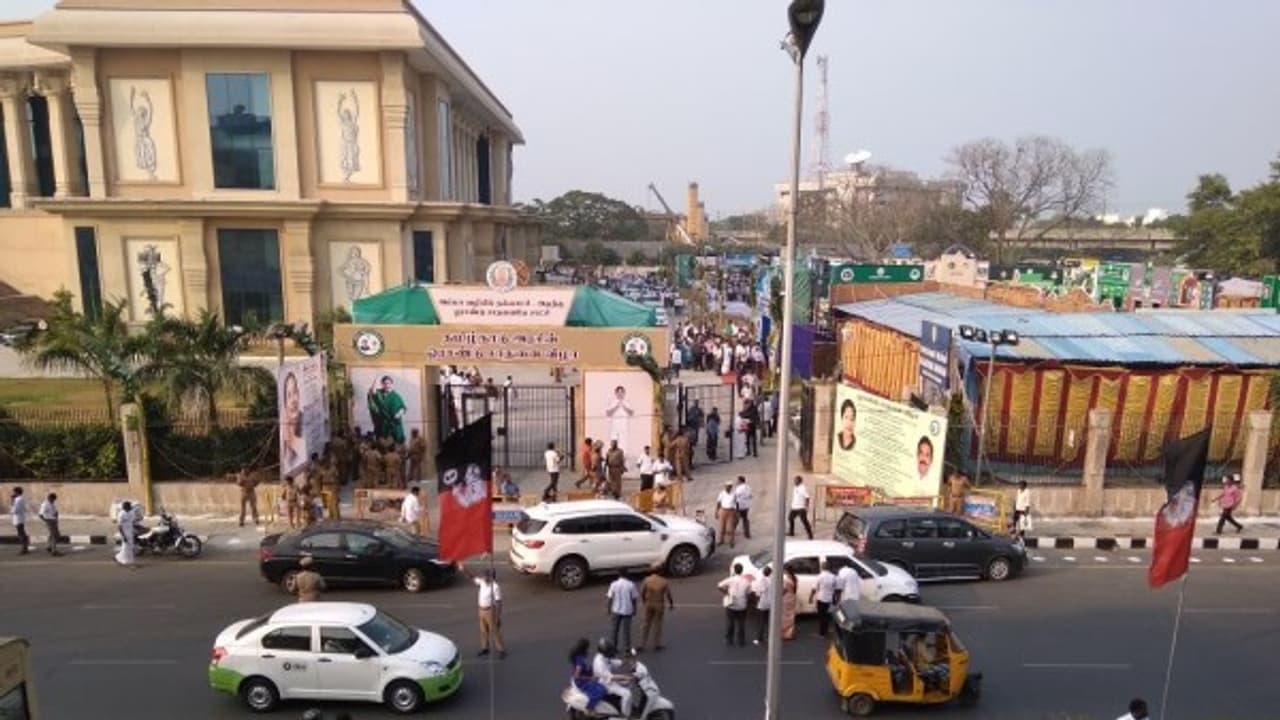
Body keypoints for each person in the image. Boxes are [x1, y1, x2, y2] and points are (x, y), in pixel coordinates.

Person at [461, 566, 506, 658]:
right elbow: (472, 577)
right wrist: (464, 569)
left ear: (491, 577)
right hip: (481, 610)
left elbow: (499, 603)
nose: (484, 577)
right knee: (483, 630)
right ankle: (485, 648)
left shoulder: (495, 587)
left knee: (495, 631)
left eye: (487, 576)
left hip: (490, 611)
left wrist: (497, 617)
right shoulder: (482, 582)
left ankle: (501, 650)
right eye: (484, 575)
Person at [592, 638, 632, 718]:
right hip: (604, 684)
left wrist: (626, 661)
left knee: (628, 685)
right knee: (627, 694)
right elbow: (611, 677)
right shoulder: (600, 663)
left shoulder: (603, 656)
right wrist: (626, 677)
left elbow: (612, 662)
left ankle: (620, 705)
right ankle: (624, 716)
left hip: (606, 680)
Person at [639, 566, 675, 652]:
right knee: (657, 625)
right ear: (660, 572)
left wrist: (644, 601)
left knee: (646, 624)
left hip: (649, 603)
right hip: (659, 604)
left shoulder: (647, 580)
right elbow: (668, 594)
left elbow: (642, 592)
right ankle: (656, 644)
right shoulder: (663, 581)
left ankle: (642, 644)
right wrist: (671, 604)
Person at [569, 638, 607, 712]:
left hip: (586, 677)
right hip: (582, 682)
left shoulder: (582, 655)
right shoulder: (579, 659)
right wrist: (590, 678)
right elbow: (577, 676)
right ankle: (589, 708)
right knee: (602, 691)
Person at [606, 571, 639, 655]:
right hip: (627, 610)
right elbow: (634, 598)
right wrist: (635, 609)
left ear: (619, 575)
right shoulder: (631, 584)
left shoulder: (613, 584)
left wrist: (608, 609)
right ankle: (627, 650)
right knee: (626, 631)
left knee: (614, 630)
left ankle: (613, 648)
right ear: (627, 575)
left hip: (616, 610)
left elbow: (610, 598)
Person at [368, 375, 407, 445]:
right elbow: (372, 392)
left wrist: (398, 414)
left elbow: (403, 408)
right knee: (383, 444)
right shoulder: (380, 394)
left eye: (388, 383)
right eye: (385, 383)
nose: (387, 385)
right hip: (383, 425)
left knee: (396, 443)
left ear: (392, 384)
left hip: (394, 425)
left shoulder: (396, 396)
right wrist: (376, 378)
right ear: (382, 384)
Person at [718, 563, 751, 646]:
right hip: (742, 605)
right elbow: (748, 593)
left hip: (731, 604)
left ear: (734, 570)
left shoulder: (730, 579)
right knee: (741, 623)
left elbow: (719, 585)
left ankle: (729, 640)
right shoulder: (746, 581)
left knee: (730, 622)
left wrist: (726, 593)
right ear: (742, 571)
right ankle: (741, 641)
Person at [604, 385, 635, 453]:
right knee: (614, 443)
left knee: (623, 444)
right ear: (616, 393)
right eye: (618, 392)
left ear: (624, 393)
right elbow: (608, 413)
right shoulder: (612, 402)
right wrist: (616, 406)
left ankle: (622, 458)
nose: (620, 394)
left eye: (622, 392)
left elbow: (631, 413)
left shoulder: (627, 402)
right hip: (614, 427)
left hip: (624, 427)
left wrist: (624, 406)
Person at [811, 561, 838, 637]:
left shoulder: (819, 576)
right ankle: (825, 631)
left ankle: (822, 633)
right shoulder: (833, 576)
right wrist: (835, 599)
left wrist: (811, 597)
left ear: (822, 567)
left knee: (821, 616)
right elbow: (835, 588)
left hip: (821, 598)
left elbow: (814, 588)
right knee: (826, 616)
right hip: (829, 598)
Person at [752, 565, 773, 645]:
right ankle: (769, 637)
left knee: (761, 622)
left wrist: (757, 602)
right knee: (769, 622)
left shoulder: (762, 580)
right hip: (770, 603)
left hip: (763, 603)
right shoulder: (772, 580)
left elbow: (759, 593)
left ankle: (759, 638)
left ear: (764, 572)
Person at [716, 481, 739, 550]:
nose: (728, 487)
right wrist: (716, 511)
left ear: (731, 487)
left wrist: (737, 512)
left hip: (731, 511)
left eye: (729, 486)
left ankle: (731, 541)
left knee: (730, 528)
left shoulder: (734, 494)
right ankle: (721, 540)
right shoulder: (722, 493)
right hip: (723, 510)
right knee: (721, 526)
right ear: (725, 486)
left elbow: (736, 503)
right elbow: (718, 503)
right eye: (727, 486)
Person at [114, 500, 137, 568]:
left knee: (130, 546)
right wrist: (123, 536)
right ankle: (126, 561)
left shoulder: (131, 513)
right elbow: (119, 526)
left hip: (130, 531)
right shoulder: (121, 514)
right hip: (124, 532)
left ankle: (120, 558)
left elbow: (133, 522)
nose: (131, 507)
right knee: (126, 547)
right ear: (125, 507)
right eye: (129, 506)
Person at [38, 492, 60, 556]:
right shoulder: (45, 504)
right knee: (54, 536)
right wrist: (46, 521)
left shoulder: (52, 504)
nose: (54, 501)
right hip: (49, 521)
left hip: (53, 520)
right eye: (53, 499)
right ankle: (54, 551)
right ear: (50, 498)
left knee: (54, 534)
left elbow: (55, 511)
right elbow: (40, 514)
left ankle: (49, 546)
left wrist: (56, 517)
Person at [733, 475, 753, 540]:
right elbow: (750, 496)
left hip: (739, 505)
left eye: (737, 480)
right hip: (746, 506)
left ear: (740, 481)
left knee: (736, 519)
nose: (736, 481)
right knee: (745, 519)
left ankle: (732, 531)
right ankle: (747, 534)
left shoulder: (739, 488)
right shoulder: (748, 487)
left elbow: (735, 496)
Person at [10, 487, 28, 555]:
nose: (13, 493)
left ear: (17, 492)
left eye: (14, 492)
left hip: (18, 519)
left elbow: (14, 510)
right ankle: (25, 547)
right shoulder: (21, 499)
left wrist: (12, 501)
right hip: (21, 518)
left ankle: (24, 548)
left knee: (21, 534)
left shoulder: (17, 500)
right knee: (22, 533)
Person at [781, 568, 798, 641]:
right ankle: (790, 633)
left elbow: (784, 590)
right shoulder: (795, 579)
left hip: (787, 598)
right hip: (792, 597)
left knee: (785, 616)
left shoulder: (787, 580)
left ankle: (785, 634)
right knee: (791, 615)